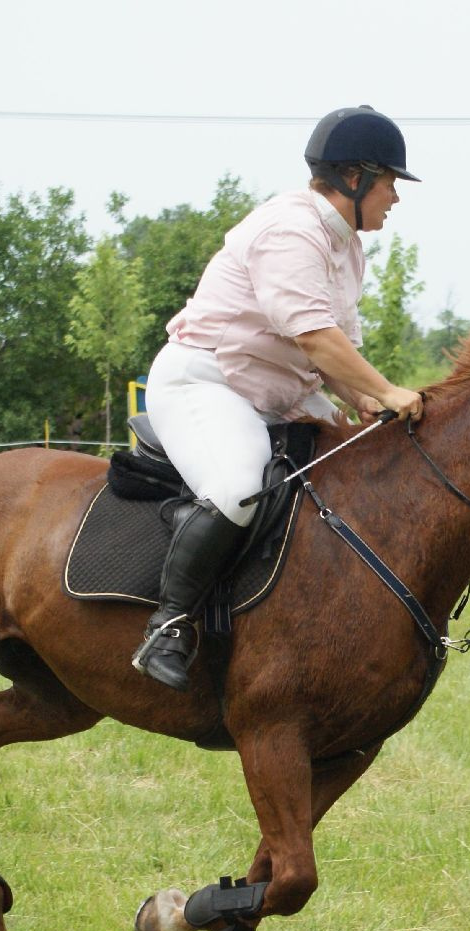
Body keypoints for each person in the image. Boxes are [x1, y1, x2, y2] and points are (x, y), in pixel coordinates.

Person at [133, 105, 426, 691]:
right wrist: (387, 390)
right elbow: (315, 338)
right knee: (240, 488)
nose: (396, 196)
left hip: (275, 393)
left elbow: (339, 351)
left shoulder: (346, 247)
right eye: (391, 182)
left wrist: (367, 400)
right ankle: (167, 626)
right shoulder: (290, 229)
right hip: (207, 382)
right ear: (355, 178)